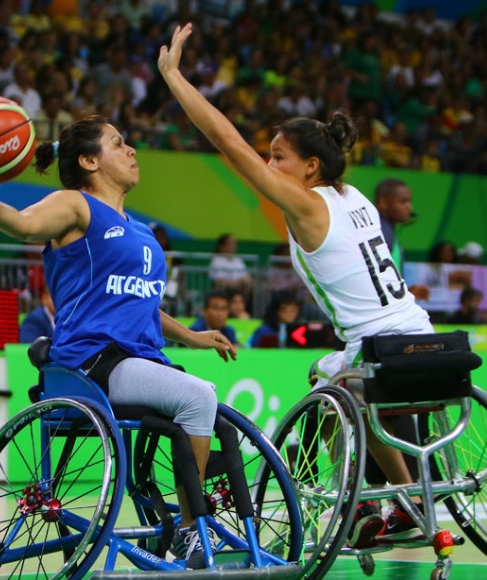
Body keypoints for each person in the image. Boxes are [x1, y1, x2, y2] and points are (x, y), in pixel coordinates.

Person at [159, 23, 434, 548]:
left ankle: (402, 500)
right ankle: (369, 497)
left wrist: (173, 78)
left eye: (277, 156)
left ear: (311, 167)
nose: (267, 164)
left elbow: (224, 140)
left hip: (379, 350)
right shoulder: (355, 197)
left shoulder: (307, 205)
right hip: (420, 331)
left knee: (342, 388)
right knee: (324, 379)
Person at [0, 116, 236, 567]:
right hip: (91, 365)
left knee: (210, 411)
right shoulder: (76, 206)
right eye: (118, 144)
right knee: (198, 397)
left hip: (139, 362)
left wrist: (192, 337)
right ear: (88, 160)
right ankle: (188, 532)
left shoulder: (140, 230)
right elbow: (23, 225)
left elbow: (143, 304)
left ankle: (190, 519)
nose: (132, 150)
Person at [373, 179, 414, 271]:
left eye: (409, 202)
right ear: (384, 203)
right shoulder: (382, 232)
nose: (409, 207)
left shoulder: (385, 230)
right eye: (403, 202)